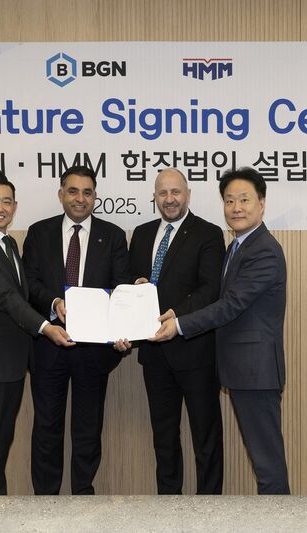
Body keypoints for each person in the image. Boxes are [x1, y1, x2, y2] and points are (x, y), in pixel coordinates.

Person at [149, 167, 290, 495]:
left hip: (255, 371)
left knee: (267, 462)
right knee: (263, 457)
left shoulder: (264, 251)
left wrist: (179, 324)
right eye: (229, 201)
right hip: (241, 369)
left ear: (262, 204)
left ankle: (279, 517)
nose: (236, 208)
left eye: (244, 200)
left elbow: (229, 305)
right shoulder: (238, 247)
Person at [0, 171, 73, 495]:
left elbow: (23, 294)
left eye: (6, 202)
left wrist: (55, 305)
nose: (0, 208)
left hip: (11, 364)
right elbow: (5, 297)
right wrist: (46, 328)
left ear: (15, 206)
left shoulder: (8, 244)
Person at [22, 165, 131, 495]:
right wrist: (54, 301)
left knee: (88, 430)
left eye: (87, 192)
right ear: (61, 195)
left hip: (93, 351)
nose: (80, 198)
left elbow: (120, 287)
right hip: (50, 346)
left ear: (95, 197)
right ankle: (46, 500)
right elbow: (29, 283)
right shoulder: (39, 233)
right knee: (47, 428)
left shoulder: (113, 236)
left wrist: (122, 326)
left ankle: (83, 498)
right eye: (73, 191)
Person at [123, 168, 225, 494]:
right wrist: (135, 286)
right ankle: (168, 505)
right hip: (154, 355)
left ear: (188, 195)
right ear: (154, 197)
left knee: (205, 436)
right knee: (163, 437)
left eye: (176, 192)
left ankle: (210, 506)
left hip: (195, 352)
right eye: (163, 193)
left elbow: (211, 289)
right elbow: (128, 284)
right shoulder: (141, 234)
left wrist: (177, 316)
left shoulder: (208, 234)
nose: (170, 199)